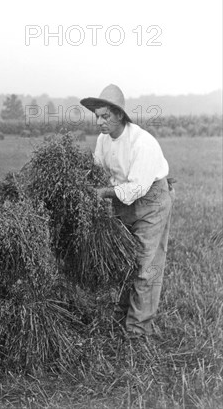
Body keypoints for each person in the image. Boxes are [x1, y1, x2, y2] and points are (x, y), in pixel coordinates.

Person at [81, 84, 174, 337]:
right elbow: (98, 170)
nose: (99, 122)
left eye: (105, 116)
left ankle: (138, 330)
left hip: (150, 200)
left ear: (120, 115)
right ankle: (123, 313)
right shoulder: (103, 140)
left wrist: (102, 193)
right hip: (121, 200)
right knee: (124, 260)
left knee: (145, 265)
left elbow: (136, 189)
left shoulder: (142, 143)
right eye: (97, 116)